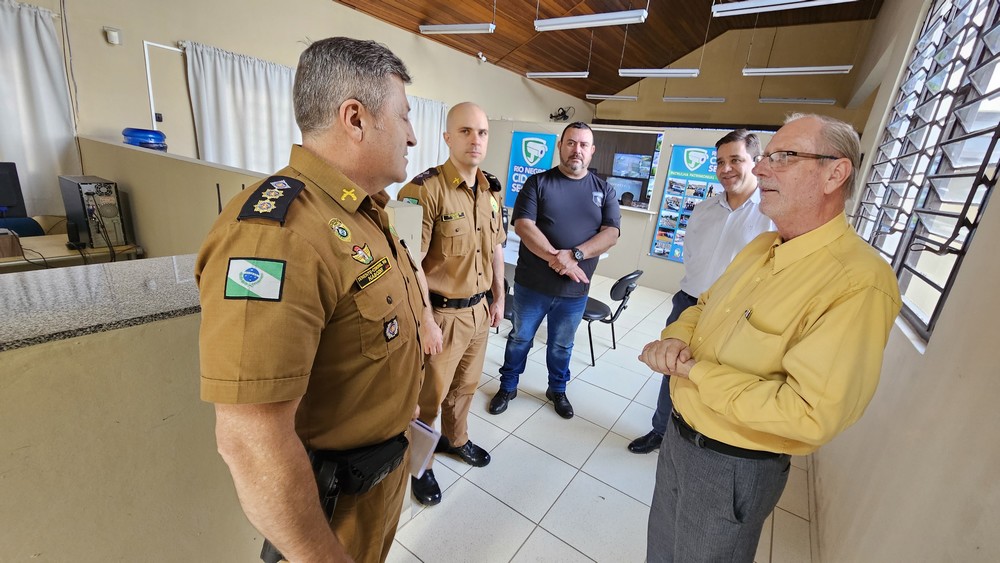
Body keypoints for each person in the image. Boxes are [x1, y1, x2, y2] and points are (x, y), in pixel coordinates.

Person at [196, 37, 430, 563]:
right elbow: (250, 440)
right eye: (404, 116)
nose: (413, 136)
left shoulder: (360, 211)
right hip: (331, 508)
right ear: (356, 119)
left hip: (381, 472)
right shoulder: (276, 237)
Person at [639, 114, 901, 562]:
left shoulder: (858, 282)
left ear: (835, 173)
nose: (760, 169)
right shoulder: (762, 247)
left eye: (783, 157)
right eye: (766, 158)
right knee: (661, 552)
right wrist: (676, 340)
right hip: (680, 439)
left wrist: (696, 371)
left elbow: (808, 413)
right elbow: (703, 305)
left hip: (731, 463)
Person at [628, 129, 774, 454]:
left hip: (735, 314)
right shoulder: (705, 208)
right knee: (671, 368)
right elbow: (691, 253)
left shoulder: (770, 215)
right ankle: (660, 432)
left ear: (757, 161)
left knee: (713, 373)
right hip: (688, 302)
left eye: (735, 160)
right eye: (720, 162)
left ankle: (699, 440)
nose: (725, 169)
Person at [397, 102, 506, 506]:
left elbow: (496, 246)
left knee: (466, 387)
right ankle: (420, 466)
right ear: (447, 137)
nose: (475, 140)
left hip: (479, 312)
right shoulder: (421, 191)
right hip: (441, 315)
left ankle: (456, 440)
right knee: (429, 399)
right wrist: (425, 320)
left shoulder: (491, 190)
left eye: (482, 132)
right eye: (465, 131)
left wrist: (499, 296)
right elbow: (408, 264)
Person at [488, 121, 621, 420]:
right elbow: (524, 225)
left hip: (574, 292)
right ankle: (508, 386)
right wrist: (557, 259)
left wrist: (575, 255)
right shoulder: (537, 183)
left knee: (562, 345)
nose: (577, 150)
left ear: (592, 151)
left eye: (583, 145)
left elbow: (611, 233)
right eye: (571, 143)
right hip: (531, 286)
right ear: (560, 146)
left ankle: (557, 390)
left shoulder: (605, 190)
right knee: (519, 338)